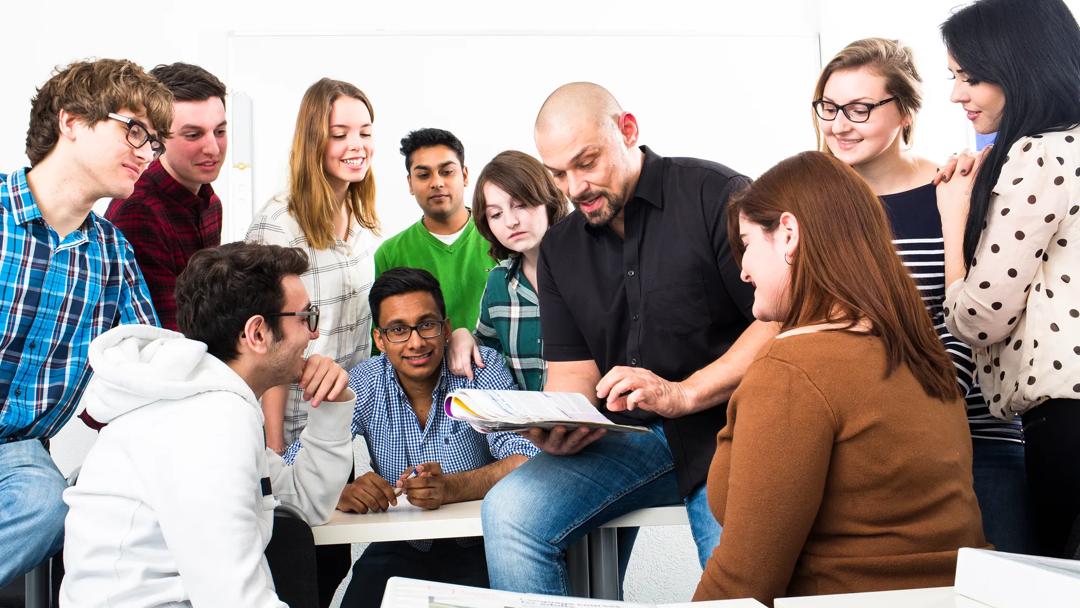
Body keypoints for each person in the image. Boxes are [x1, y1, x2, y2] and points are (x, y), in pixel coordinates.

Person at [481, 82, 778, 596]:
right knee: (508, 513)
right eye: (558, 173)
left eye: (586, 163)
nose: (575, 188)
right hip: (630, 439)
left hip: (729, 431)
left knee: (734, 588)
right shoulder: (560, 248)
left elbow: (776, 323)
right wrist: (558, 423)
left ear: (628, 131)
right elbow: (574, 375)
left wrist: (684, 394)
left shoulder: (715, 194)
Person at [693, 151, 987, 604]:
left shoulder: (795, 370)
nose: (744, 270)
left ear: (787, 234)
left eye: (748, 243)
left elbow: (742, 584)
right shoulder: (918, 351)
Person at [810, 37, 1032, 554]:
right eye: (829, 107)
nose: (839, 124)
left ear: (906, 112)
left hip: (977, 438)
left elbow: (984, 320)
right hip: (860, 445)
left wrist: (915, 408)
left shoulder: (957, 190)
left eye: (860, 109)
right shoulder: (811, 207)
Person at [61, 242, 354, 607]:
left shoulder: (212, 403)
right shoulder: (208, 423)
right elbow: (231, 598)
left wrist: (332, 405)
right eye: (306, 317)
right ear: (257, 334)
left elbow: (305, 502)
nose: (314, 334)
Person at [0, 58, 165, 588]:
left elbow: (154, 366)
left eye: (154, 142)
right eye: (134, 130)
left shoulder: (112, 252)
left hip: (17, 457)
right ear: (71, 122)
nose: (147, 153)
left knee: (47, 503)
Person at [280, 268, 537, 608]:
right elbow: (289, 469)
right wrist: (337, 493)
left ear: (446, 329)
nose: (415, 342)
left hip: (484, 545)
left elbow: (527, 458)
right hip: (399, 546)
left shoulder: (479, 368)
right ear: (379, 339)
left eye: (426, 324)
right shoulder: (365, 381)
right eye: (398, 330)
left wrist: (451, 488)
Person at [936, 0, 1080, 559]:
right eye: (953, 77)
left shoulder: (1040, 154)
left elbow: (980, 316)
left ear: (1021, 64)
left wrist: (953, 220)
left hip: (1067, 421)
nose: (957, 95)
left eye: (970, 76)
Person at [246, 77, 380, 604]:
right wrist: (275, 452)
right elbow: (269, 344)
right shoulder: (281, 225)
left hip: (337, 429)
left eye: (365, 132)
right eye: (339, 133)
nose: (356, 146)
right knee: (295, 575)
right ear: (312, 142)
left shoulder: (361, 219)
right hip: (289, 434)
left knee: (328, 569)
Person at [106, 62, 228, 331]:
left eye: (220, 131)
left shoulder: (210, 203)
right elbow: (166, 334)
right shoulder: (138, 211)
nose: (213, 147)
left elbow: (210, 307)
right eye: (193, 134)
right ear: (156, 137)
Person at [447, 150, 570, 390]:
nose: (510, 222)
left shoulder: (591, 268)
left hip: (595, 420)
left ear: (548, 200)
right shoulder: (499, 282)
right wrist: (462, 335)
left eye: (521, 205)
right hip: (524, 424)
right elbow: (487, 351)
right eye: (496, 214)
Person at [374, 128, 495, 332]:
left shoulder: (499, 235)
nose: (437, 183)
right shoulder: (390, 254)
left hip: (495, 362)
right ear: (410, 183)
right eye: (423, 175)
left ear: (465, 176)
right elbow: (383, 339)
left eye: (447, 172)